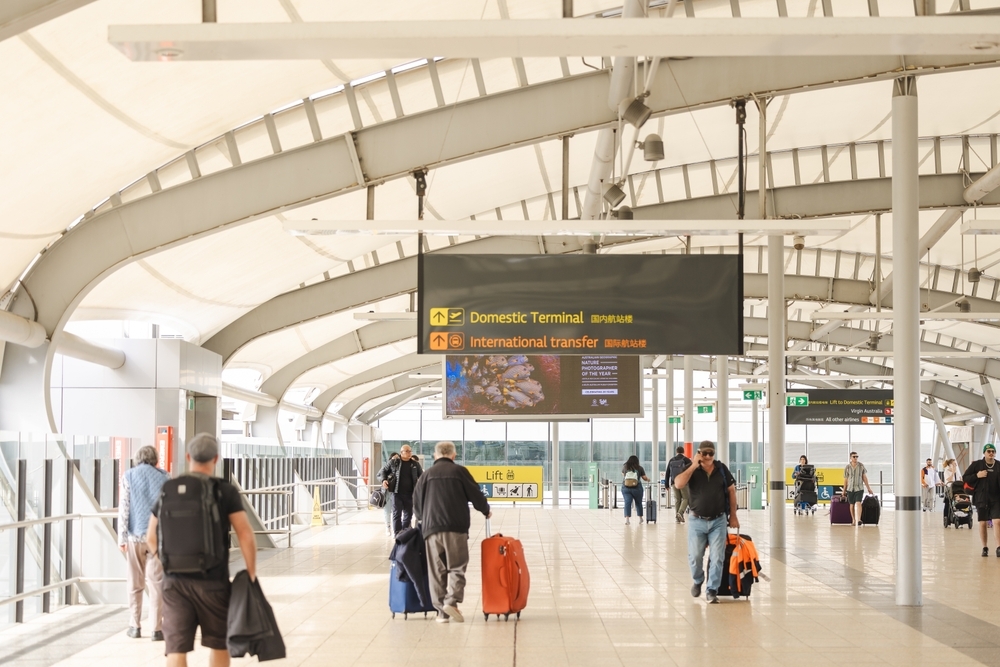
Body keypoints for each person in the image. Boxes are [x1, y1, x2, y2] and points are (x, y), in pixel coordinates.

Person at [147, 433, 257, 667]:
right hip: (213, 581)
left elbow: (150, 537)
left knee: (176, 649)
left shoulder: (168, 488)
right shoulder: (223, 491)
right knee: (218, 644)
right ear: (216, 459)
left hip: (174, 583)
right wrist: (251, 572)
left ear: (188, 457)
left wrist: (166, 563)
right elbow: (245, 534)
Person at [412, 441, 491, 624]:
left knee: (437, 571)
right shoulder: (460, 472)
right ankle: (451, 601)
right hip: (456, 528)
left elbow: (416, 504)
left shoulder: (426, 475)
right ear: (453, 455)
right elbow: (476, 495)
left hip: (431, 530)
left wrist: (424, 519)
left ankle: (441, 613)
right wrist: (485, 510)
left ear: (435, 455)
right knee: (457, 567)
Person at [673, 440, 739, 605]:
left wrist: (733, 515)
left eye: (711, 453)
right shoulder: (692, 470)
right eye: (705, 453)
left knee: (717, 557)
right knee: (695, 556)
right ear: (699, 453)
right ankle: (698, 580)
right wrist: (694, 464)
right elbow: (679, 483)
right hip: (697, 520)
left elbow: (731, 491)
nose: (708, 456)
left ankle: (712, 590)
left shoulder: (721, 469)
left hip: (719, 520)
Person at [118, 445, 169, 641]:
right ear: (156, 459)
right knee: (156, 584)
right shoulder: (165, 477)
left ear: (137, 459)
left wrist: (121, 537)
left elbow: (124, 508)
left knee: (134, 582)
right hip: (158, 538)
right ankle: (156, 629)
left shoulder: (129, 476)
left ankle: (135, 625)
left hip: (135, 537)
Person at [962, 443, 1000, 557]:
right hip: (981, 498)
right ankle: (985, 547)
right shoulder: (977, 465)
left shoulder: (998, 465)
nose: (991, 453)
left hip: (996, 498)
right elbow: (965, 478)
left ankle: (998, 547)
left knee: (997, 522)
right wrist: (977, 476)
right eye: (988, 451)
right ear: (984, 453)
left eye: (993, 451)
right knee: (983, 523)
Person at [378, 443, 423, 536]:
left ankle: (404, 532)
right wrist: (383, 480)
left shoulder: (415, 464)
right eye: (407, 451)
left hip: (410, 494)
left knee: (408, 514)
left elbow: (422, 476)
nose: (409, 453)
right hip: (396, 493)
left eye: (410, 451)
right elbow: (383, 471)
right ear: (401, 453)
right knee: (396, 514)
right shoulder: (394, 462)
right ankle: (397, 533)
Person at [842, 451, 874, 526]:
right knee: (852, 504)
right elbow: (846, 479)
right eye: (854, 457)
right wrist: (844, 491)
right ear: (850, 458)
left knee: (858, 502)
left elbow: (864, 477)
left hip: (859, 488)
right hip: (850, 488)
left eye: (857, 456)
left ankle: (859, 519)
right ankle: (853, 519)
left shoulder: (861, 466)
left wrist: (868, 488)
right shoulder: (847, 467)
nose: (855, 458)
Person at [621, 455, 650, 525]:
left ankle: (627, 519)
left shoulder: (625, 467)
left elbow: (623, 474)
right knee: (638, 503)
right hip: (637, 488)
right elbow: (644, 477)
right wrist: (648, 479)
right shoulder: (639, 468)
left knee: (627, 502)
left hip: (626, 487)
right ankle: (640, 518)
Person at [667, 446, 692, 524]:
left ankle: (677, 518)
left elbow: (668, 472)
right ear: (683, 452)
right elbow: (690, 472)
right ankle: (680, 513)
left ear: (676, 452)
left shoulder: (671, 460)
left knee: (677, 499)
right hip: (684, 482)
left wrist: (666, 484)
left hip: (674, 482)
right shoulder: (686, 460)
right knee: (686, 498)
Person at [381, 452, 400, 535]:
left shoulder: (400, 468)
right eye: (394, 458)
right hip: (387, 491)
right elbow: (379, 475)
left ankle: (394, 528)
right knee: (387, 510)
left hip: (396, 491)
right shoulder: (386, 467)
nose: (396, 460)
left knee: (396, 511)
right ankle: (387, 526)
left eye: (397, 458)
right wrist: (384, 480)